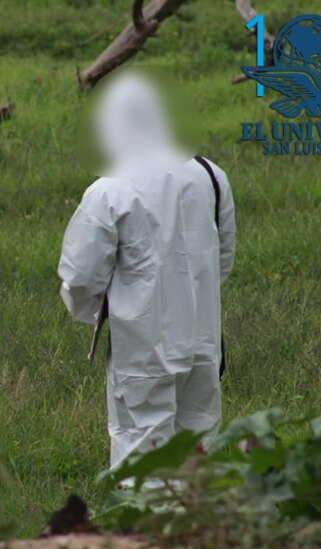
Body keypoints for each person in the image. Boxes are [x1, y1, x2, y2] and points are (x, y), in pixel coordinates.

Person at [57, 72, 236, 469]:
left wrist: (94, 310)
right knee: (199, 444)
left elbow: (80, 278)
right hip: (203, 341)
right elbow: (222, 257)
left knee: (142, 452)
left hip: (142, 345)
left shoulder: (109, 191)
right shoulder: (210, 175)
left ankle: (149, 530)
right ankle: (199, 528)